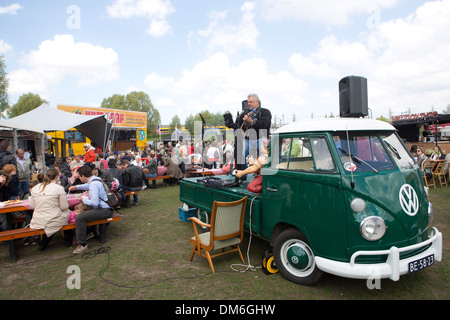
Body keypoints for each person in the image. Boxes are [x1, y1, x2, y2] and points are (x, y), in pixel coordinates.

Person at [68, 165, 113, 254]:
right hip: (105, 208)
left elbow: (94, 203)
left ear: (83, 176)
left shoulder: (93, 184)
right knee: (83, 213)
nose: (79, 178)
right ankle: (92, 233)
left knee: (80, 217)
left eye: (79, 177)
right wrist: (76, 187)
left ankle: (82, 244)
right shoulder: (96, 179)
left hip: (104, 210)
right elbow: (86, 186)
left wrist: (83, 199)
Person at [29, 168, 72, 250]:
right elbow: (64, 207)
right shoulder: (58, 188)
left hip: (38, 219)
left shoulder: (35, 188)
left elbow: (32, 206)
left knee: (52, 220)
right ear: (56, 177)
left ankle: (43, 243)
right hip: (52, 218)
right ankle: (68, 240)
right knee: (68, 215)